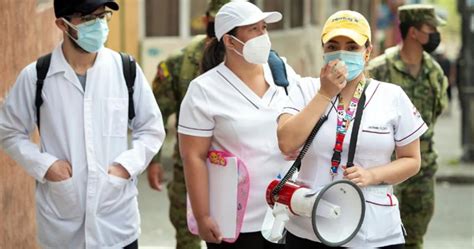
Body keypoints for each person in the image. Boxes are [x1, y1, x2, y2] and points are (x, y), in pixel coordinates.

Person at [0, 0, 165, 248]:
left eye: (102, 16)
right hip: (62, 227)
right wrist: (47, 166)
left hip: (117, 223)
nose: (98, 24)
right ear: (61, 24)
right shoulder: (36, 76)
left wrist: (124, 167)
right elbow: (8, 130)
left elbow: (151, 128)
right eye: (87, 18)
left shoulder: (125, 69)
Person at [277, 10, 427, 248]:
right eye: (333, 45)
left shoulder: (391, 96)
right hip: (308, 228)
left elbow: (411, 160)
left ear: (367, 52)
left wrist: (373, 175)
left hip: (373, 231)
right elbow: (286, 141)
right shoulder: (305, 89)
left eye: (352, 46)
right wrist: (325, 94)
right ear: (323, 50)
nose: (342, 53)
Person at [177, 1, 299, 248]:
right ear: (229, 41)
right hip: (236, 223)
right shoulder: (204, 89)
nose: (262, 36)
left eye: (263, 28)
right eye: (252, 30)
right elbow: (193, 157)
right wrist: (202, 216)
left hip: (288, 214)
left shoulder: (282, 71)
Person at [146, 0, 230, 248]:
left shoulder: (256, 63)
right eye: (216, 23)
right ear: (206, 21)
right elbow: (157, 114)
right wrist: (153, 161)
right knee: (187, 236)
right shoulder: (180, 62)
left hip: (236, 170)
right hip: (189, 169)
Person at [367, 4, 448, 249]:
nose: (435, 33)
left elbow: (437, 110)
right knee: (383, 235)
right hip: (387, 167)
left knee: (415, 237)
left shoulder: (434, 72)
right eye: (430, 28)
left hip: (422, 168)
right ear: (413, 32)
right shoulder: (380, 69)